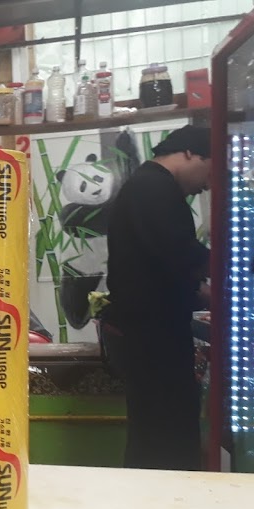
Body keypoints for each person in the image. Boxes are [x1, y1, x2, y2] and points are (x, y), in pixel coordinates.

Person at [104, 125, 212, 471]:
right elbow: (180, 253)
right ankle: (164, 498)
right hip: (152, 336)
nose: (208, 184)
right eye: (209, 171)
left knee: (157, 429)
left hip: (150, 332)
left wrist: (199, 292)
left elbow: (159, 265)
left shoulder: (148, 186)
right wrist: (230, 269)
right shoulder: (153, 188)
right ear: (191, 153)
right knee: (164, 433)